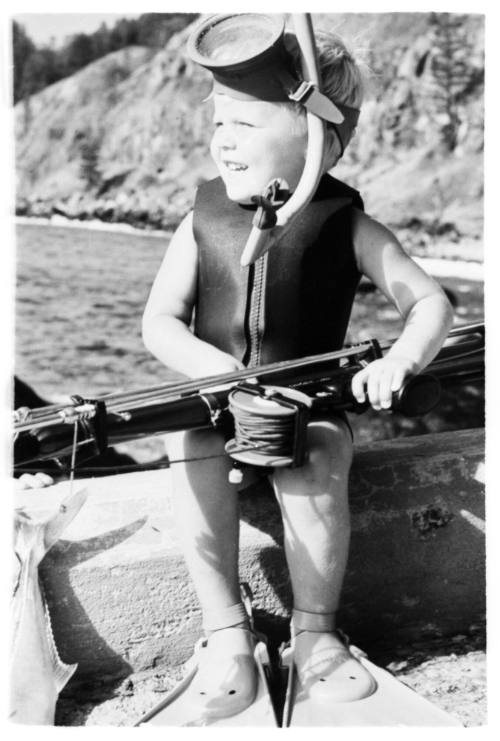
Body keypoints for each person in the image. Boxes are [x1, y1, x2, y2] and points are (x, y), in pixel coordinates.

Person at [142, 15, 454, 718]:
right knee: (185, 444)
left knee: (314, 457)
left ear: (319, 136)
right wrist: (213, 367)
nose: (223, 137)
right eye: (219, 121)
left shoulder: (348, 224)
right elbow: (157, 321)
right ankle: (225, 632)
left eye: (245, 124)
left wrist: (402, 358)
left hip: (309, 412)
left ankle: (314, 634)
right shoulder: (202, 220)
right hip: (217, 409)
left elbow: (429, 302)